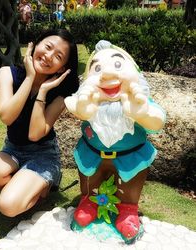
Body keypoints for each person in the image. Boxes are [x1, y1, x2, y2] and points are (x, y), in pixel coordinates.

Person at [64, 40, 166, 243]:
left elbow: (157, 121)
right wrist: (83, 107)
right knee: (90, 181)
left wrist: (142, 113)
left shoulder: (137, 100)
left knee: (130, 186)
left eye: (118, 65)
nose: (108, 75)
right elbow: (72, 104)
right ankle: (89, 203)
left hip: (129, 157)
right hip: (92, 154)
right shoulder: (90, 98)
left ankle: (128, 210)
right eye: (98, 68)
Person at [0, 29, 79, 217]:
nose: (48, 56)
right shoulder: (7, 73)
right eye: (47, 47)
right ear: (35, 45)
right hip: (12, 150)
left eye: (58, 56)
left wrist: (42, 92)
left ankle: (43, 184)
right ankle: (25, 180)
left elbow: (35, 134)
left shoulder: (62, 92)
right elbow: (7, 116)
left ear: (61, 68)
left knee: (8, 206)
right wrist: (30, 77)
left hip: (43, 154)